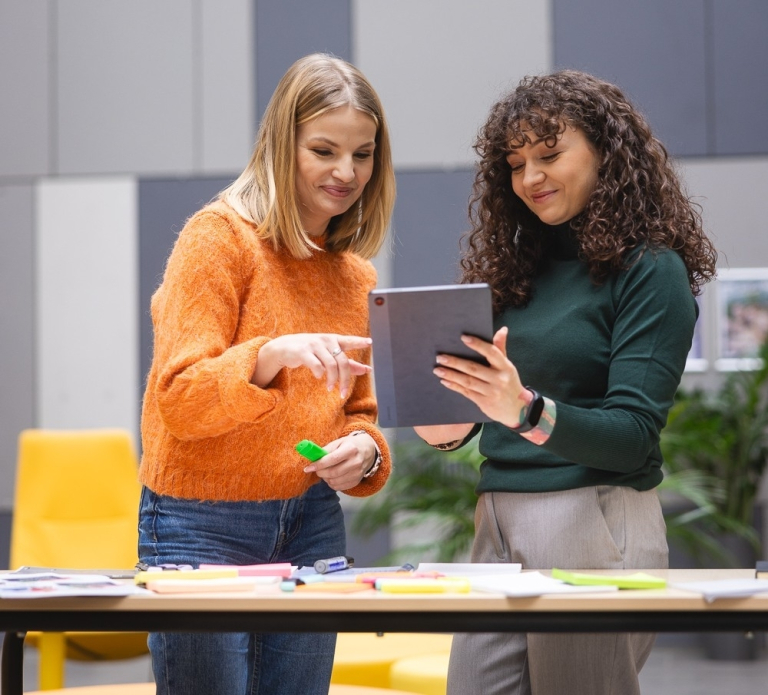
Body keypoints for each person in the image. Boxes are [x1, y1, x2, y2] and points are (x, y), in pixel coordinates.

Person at [415, 70, 718, 695]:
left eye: (550, 155)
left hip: (593, 520)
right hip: (495, 516)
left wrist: (525, 410)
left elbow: (633, 435)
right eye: (516, 163)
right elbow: (475, 419)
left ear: (606, 151)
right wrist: (437, 415)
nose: (530, 178)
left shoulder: (651, 270)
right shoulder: (513, 272)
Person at [137, 53, 395, 695]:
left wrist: (364, 453)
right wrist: (268, 354)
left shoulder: (354, 275)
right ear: (283, 144)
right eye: (325, 150)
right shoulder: (218, 238)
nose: (346, 172)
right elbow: (180, 400)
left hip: (311, 517)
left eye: (362, 154)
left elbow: (359, 413)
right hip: (199, 520)